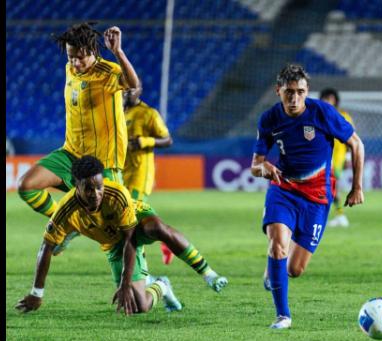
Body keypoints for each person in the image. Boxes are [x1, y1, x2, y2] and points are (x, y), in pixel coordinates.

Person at [15, 156, 227, 315]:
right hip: (113, 245)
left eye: (99, 187)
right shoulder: (65, 210)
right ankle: (162, 286)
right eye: (89, 189)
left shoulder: (117, 194)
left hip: (134, 224)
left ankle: (208, 273)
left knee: (157, 228)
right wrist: (37, 294)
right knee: (140, 307)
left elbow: (130, 238)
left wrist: (125, 284)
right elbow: (46, 248)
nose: (96, 194)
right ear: (75, 185)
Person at [250, 64, 364, 329]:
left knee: (295, 270)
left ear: (307, 91)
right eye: (289, 92)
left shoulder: (322, 112)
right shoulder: (269, 119)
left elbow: (356, 144)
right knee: (277, 243)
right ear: (278, 91)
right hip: (284, 189)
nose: (294, 98)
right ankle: (283, 315)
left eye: (300, 92)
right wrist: (263, 168)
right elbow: (255, 165)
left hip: (317, 197)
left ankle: (275, 266)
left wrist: (357, 187)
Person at [17, 22, 140, 254]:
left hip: (102, 163)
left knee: (118, 234)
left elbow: (133, 84)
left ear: (92, 52)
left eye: (81, 57)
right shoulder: (70, 69)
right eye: (71, 56)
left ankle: (146, 280)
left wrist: (118, 52)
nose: (75, 62)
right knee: (26, 185)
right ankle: (68, 225)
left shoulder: (107, 72)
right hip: (70, 154)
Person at [122, 88, 175, 265]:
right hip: (121, 171)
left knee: (130, 216)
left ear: (139, 91)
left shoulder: (148, 113)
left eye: (131, 89)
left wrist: (145, 141)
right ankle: (166, 239)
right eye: (123, 88)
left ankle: (138, 264)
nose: (126, 92)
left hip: (140, 173)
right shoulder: (118, 111)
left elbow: (167, 139)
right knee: (134, 214)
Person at [319, 88, 355, 227]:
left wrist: (347, 157)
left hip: (337, 157)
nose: (328, 101)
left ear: (335, 101)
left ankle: (340, 215)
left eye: (330, 99)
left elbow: (352, 139)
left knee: (331, 185)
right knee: (327, 186)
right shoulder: (317, 115)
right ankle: (338, 215)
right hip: (321, 156)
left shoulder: (343, 116)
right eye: (325, 98)